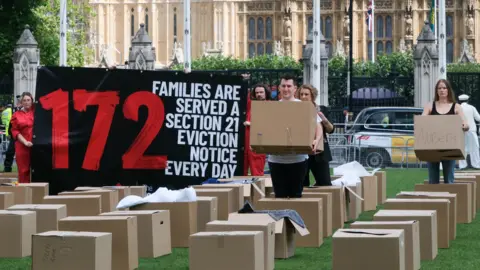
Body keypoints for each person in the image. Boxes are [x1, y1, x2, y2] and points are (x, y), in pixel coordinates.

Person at [268, 75, 323, 198]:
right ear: (279, 88)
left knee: (296, 197)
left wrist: (316, 140)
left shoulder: (305, 106)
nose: (286, 89)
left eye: (289, 86)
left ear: (294, 89)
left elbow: (318, 126)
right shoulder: (272, 107)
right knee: (279, 196)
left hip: (298, 160)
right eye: (283, 86)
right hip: (276, 161)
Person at [422, 79, 469, 184]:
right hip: (432, 147)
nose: (442, 90)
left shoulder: (456, 107)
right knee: (433, 180)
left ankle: (450, 199)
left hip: (450, 147)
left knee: (449, 180)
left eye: (444, 88)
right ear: (436, 91)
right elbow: (422, 121)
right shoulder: (430, 106)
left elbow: (465, 122)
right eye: (439, 88)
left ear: (448, 90)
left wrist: (465, 125)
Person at [297, 85, 335, 186]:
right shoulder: (295, 110)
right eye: (301, 94)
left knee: (324, 182)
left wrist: (324, 120)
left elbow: (331, 130)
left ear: (312, 96)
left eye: (306, 94)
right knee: (302, 183)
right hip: (301, 151)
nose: (303, 97)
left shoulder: (322, 109)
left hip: (320, 151)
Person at [243, 84, 272, 176]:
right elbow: (242, 95)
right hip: (246, 140)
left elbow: (270, 124)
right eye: (257, 92)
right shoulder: (251, 103)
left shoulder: (270, 105)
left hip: (259, 139)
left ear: (266, 93)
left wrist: (251, 124)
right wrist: (245, 81)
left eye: (261, 92)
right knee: (241, 169)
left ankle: (257, 189)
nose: (259, 94)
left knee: (257, 170)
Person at [10, 92, 34, 183]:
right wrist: (25, 142)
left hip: (36, 144)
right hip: (22, 145)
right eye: (24, 100)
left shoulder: (37, 113)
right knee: (24, 171)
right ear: (21, 102)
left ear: (32, 101)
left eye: (28, 100)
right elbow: (15, 131)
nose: (27, 102)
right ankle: (25, 192)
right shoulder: (16, 115)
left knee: (39, 169)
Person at [458, 94, 480, 169]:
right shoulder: (472, 107)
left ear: (459, 101)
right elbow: (478, 118)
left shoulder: (458, 108)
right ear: (467, 100)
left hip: (461, 130)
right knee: (475, 148)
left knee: (462, 148)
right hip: (471, 130)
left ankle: (462, 165)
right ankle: (476, 165)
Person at [4, 96, 22, 172]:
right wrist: (9, 133)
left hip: (24, 134)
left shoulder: (28, 111)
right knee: (10, 152)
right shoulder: (14, 110)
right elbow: (11, 123)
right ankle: (7, 168)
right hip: (14, 135)